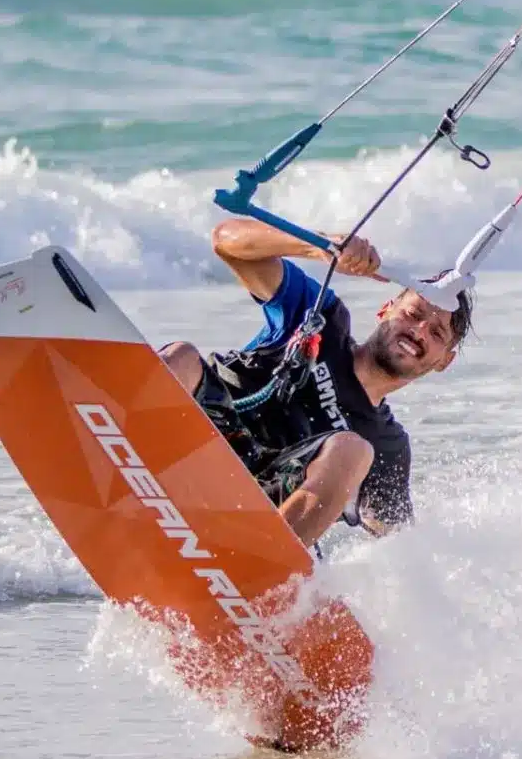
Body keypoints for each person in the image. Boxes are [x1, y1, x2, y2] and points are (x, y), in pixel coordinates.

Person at [157, 218, 472, 547]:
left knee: (352, 450)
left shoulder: (388, 447)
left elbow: (404, 547)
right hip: (193, 437)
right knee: (181, 357)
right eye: (413, 314)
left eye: (437, 333)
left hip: (257, 504)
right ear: (385, 310)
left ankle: (270, 564)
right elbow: (227, 242)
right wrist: (319, 247)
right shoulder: (320, 318)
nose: (419, 331)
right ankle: (122, 453)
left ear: (444, 361)